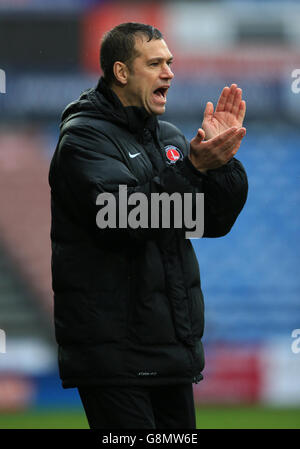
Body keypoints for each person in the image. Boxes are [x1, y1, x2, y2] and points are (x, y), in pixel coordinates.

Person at [49, 22, 248, 429]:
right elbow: (123, 218)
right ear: (121, 72)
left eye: (170, 63)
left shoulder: (168, 137)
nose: (169, 72)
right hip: (115, 355)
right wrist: (193, 168)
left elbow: (209, 221)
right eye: (155, 63)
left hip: (170, 350)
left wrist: (221, 166)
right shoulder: (84, 140)